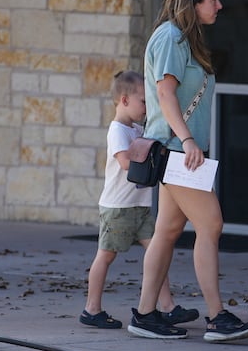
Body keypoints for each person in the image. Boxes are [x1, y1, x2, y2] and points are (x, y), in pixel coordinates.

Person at [128, 0, 248, 342]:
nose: (220, 5)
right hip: (175, 151)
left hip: (179, 152)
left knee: (167, 231)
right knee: (211, 223)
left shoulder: (184, 38)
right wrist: (187, 142)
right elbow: (166, 95)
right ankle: (217, 317)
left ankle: (146, 314)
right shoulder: (170, 37)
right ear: (193, 1)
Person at [80, 70, 199, 329]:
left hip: (141, 207)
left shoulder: (137, 129)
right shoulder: (118, 131)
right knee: (105, 256)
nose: (146, 108)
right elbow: (125, 163)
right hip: (118, 208)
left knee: (158, 251)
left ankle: (168, 307)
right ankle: (91, 309)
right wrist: (149, 149)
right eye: (143, 102)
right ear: (124, 100)